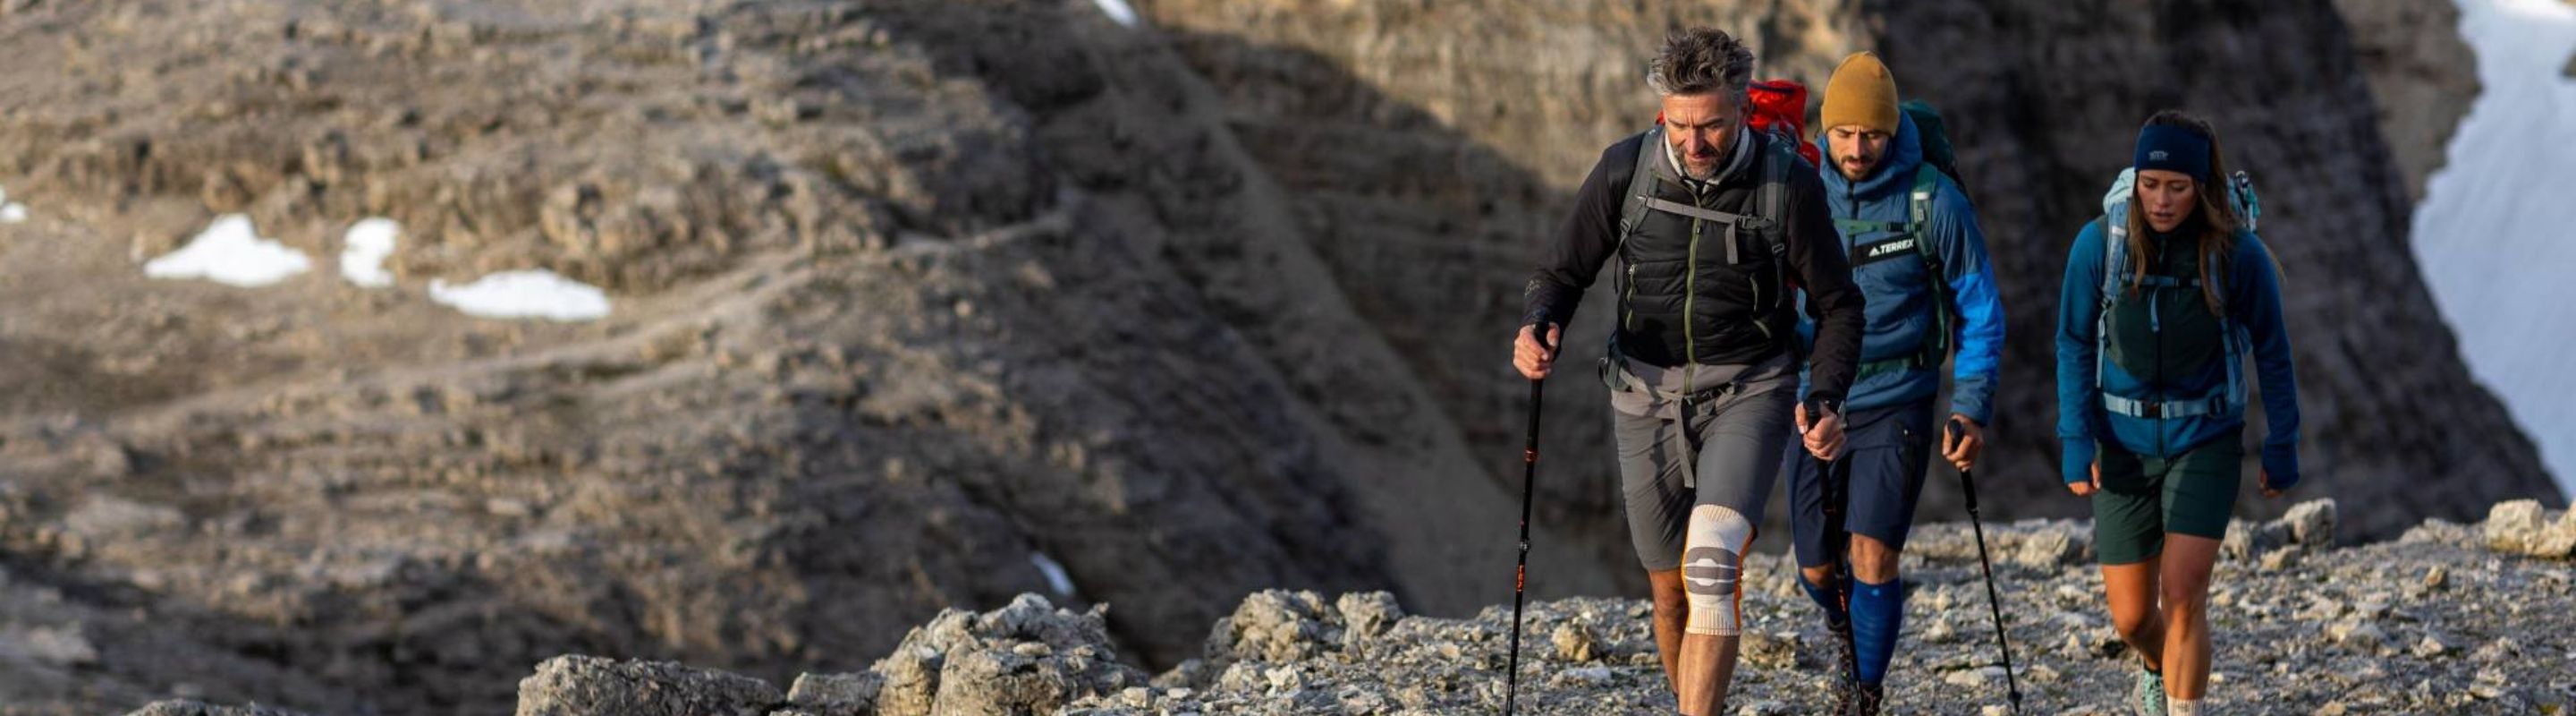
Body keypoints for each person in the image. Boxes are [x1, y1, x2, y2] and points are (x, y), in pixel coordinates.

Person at [1513, 27, 1865, 715]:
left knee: (1711, 566)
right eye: (1679, 125)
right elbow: (1561, 272)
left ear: (1740, 110)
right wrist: (1538, 324)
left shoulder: (1786, 183)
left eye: (1710, 126)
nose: (1694, 144)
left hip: (1750, 387)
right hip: (1642, 392)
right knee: (1670, 590)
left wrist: (1824, 393)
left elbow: (1839, 306)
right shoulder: (1625, 169)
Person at [1777, 51, 2006, 716]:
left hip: (1897, 395)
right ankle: (1845, 633)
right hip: (1815, 397)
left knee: (1872, 553)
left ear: (1891, 129)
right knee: (1817, 567)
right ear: (1827, 127)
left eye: (1871, 134)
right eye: (1844, 133)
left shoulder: (1932, 199)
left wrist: (1971, 406)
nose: (1856, 148)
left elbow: (1980, 306)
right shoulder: (1802, 184)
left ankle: (1864, 695)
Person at [2055, 110, 2301, 716]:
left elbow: (2273, 351)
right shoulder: (2100, 244)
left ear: (2202, 187)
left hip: (2206, 436)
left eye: (2177, 187)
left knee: (2184, 594)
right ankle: (2154, 666)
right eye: (2150, 184)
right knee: (2133, 616)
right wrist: (2074, 435)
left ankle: (2182, 707)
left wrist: (2282, 442)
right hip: (2122, 440)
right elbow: (2073, 341)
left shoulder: (2236, 255)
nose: (2161, 201)